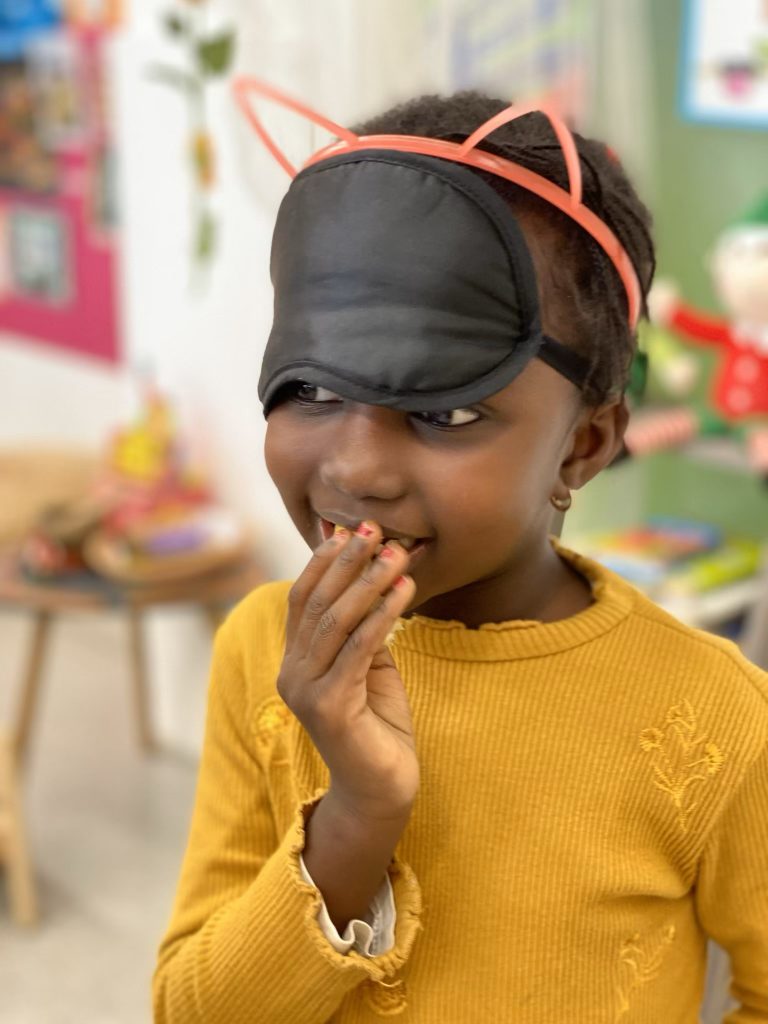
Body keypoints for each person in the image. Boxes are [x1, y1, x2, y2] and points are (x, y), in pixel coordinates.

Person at [152, 89, 768, 1023]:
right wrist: (355, 818)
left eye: (446, 411)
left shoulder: (715, 716)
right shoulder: (261, 653)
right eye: (313, 389)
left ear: (583, 446)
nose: (357, 469)